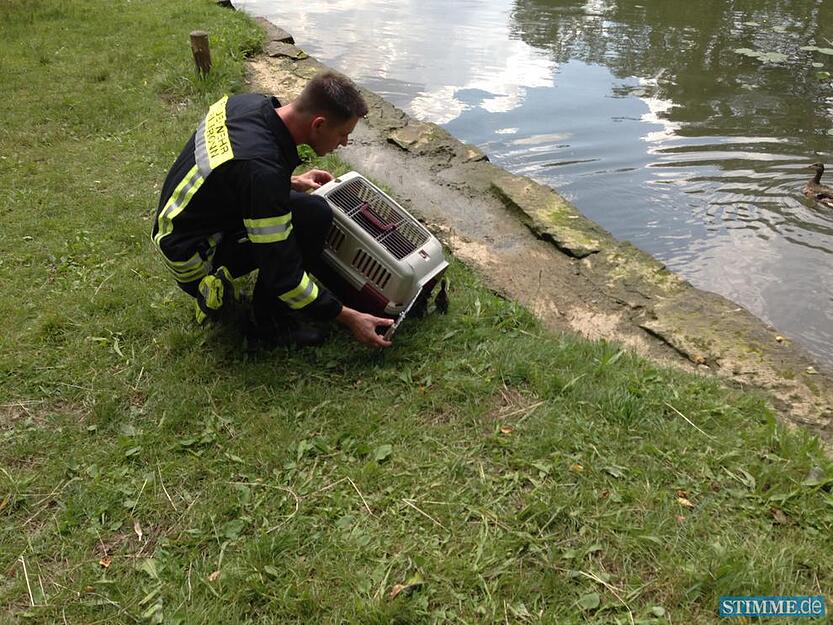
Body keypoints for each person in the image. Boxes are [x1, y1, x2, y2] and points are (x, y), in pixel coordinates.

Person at [151, 71, 393, 348]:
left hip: (178, 225)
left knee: (312, 210)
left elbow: (232, 175)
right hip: (192, 257)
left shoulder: (248, 104)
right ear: (319, 124)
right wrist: (347, 317)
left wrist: (289, 182)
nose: (344, 143)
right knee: (309, 222)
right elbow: (283, 273)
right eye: (343, 134)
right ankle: (269, 327)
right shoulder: (261, 173)